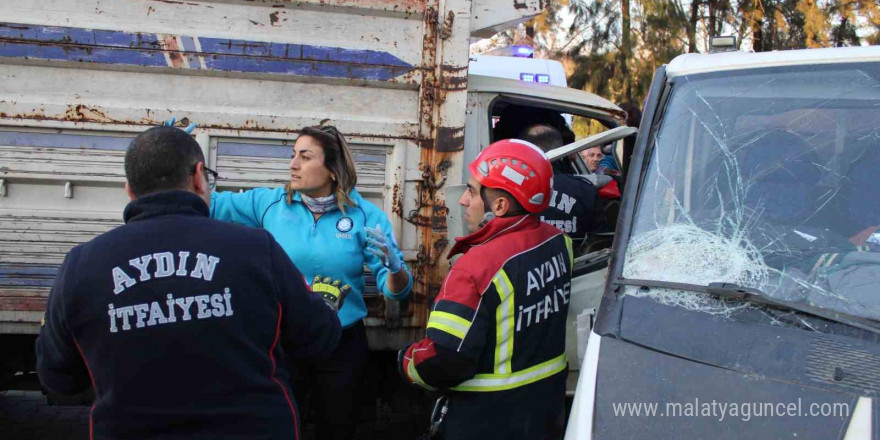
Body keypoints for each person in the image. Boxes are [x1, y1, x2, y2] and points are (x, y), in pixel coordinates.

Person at [35, 125, 341, 440]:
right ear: (198, 176)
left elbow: (58, 378)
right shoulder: (256, 249)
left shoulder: (81, 265)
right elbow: (319, 338)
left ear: (129, 189)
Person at [210, 124, 412, 440]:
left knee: (338, 429)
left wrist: (395, 268)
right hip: (284, 340)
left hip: (341, 344)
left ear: (332, 169)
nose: (293, 164)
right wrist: (177, 160)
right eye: (294, 155)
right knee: (281, 427)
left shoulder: (365, 216)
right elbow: (208, 204)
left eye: (305, 157)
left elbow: (395, 290)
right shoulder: (270, 204)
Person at [398, 139, 573, 440]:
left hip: (486, 419)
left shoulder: (474, 268)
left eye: (472, 190)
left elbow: (446, 360)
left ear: (500, 206)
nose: (463, 200)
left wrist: (407, 361)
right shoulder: (560, 242)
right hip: (546, 410)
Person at [521, 124, 601, 245]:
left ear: (526, 150)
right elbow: (599, 241)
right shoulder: (585, 189)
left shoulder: (511, 189)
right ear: (561, 149)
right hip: (578, 262)